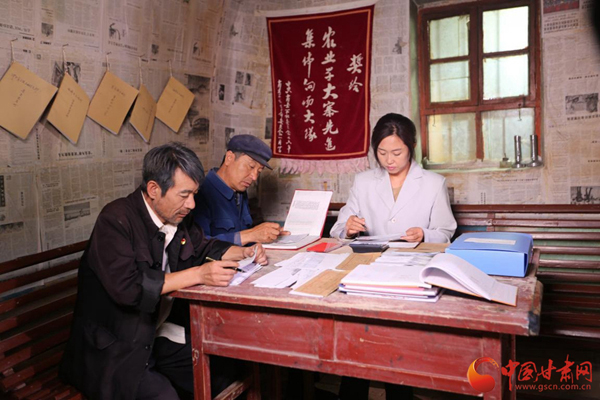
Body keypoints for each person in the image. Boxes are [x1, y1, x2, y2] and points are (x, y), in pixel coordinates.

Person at [59, 142, 267, 400]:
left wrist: (244, 252)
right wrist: (200, 275)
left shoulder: (176, 217)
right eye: (184, 195)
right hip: (116, 349)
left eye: (195, 194)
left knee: (225, 377)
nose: (191, 204)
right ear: (154, 189)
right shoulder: (115, 220)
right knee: (164, 396)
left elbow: (203, 246)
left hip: (155, 335)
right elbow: (129, 289)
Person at [330, 113, 456, 400]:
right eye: (382, 152)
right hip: (367, 270)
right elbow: (339, 227)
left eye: (397, 152)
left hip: (409, 272)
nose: (389, 160)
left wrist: (424, 234)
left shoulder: (433, 182)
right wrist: (348, 228)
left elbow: (446, 231)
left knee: (396, 346)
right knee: (358, 342)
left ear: (411, 147)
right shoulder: (363, 181)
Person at [194, 134, 288, 245]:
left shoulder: (239, 192)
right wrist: (252, 234)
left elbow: (243, 236)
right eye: (251, 166)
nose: (254, 177)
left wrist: (269, 235)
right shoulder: (199, 193)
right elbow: (198, 247)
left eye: (259, 171)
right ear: (229, 158)